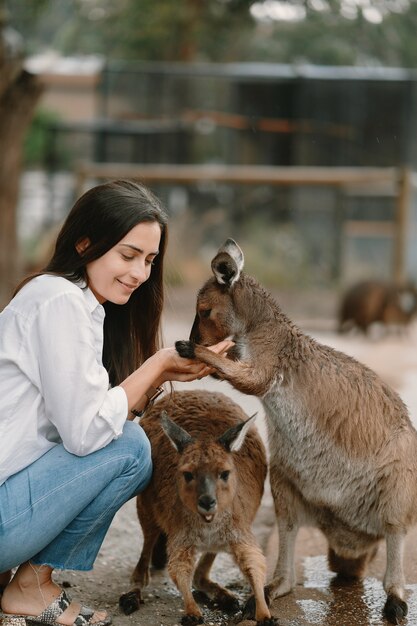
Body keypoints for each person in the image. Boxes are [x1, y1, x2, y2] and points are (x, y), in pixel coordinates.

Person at [0, 179, 233, 626]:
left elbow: (89, 419)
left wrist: (162, 370)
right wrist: (158, 365)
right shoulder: (59, 301)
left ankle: (26, 581)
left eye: (148, 260)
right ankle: (29, 586)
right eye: (127, 255)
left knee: (126, 440)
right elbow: (87, 435)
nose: (140, 274)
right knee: (130, 449)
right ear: (85, 243)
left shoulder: (79, 305)